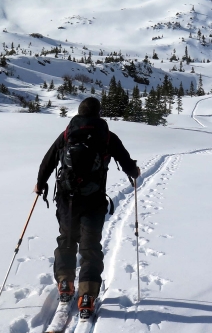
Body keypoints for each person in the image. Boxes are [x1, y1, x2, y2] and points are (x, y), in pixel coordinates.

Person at [34, 96, 140, 317]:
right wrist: (134, 172)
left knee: (67, 239)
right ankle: (87, 295)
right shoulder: (107, 136)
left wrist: (40, 183)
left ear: (79, 113)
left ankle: (65, 283)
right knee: (90, 247)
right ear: (98, 114)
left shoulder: (66, 135)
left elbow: (48, 161)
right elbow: (127, 162)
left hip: (67, 199)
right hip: (93, 200)